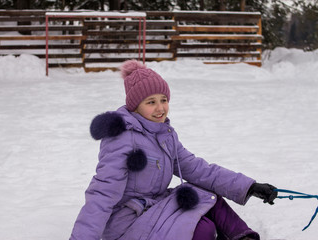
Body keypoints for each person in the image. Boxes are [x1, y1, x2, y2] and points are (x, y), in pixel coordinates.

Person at [69, 60, 277, 240]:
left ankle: (243, 237)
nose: (160, 108)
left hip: (154, 208)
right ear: (135, 106)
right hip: (128, 224)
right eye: (151, 102)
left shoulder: (164, 135)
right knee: (203, 229)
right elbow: (101, 194)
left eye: (164, 100)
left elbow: (198, 169)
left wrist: (250, 187)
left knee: (207, 195)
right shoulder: (122, 138)